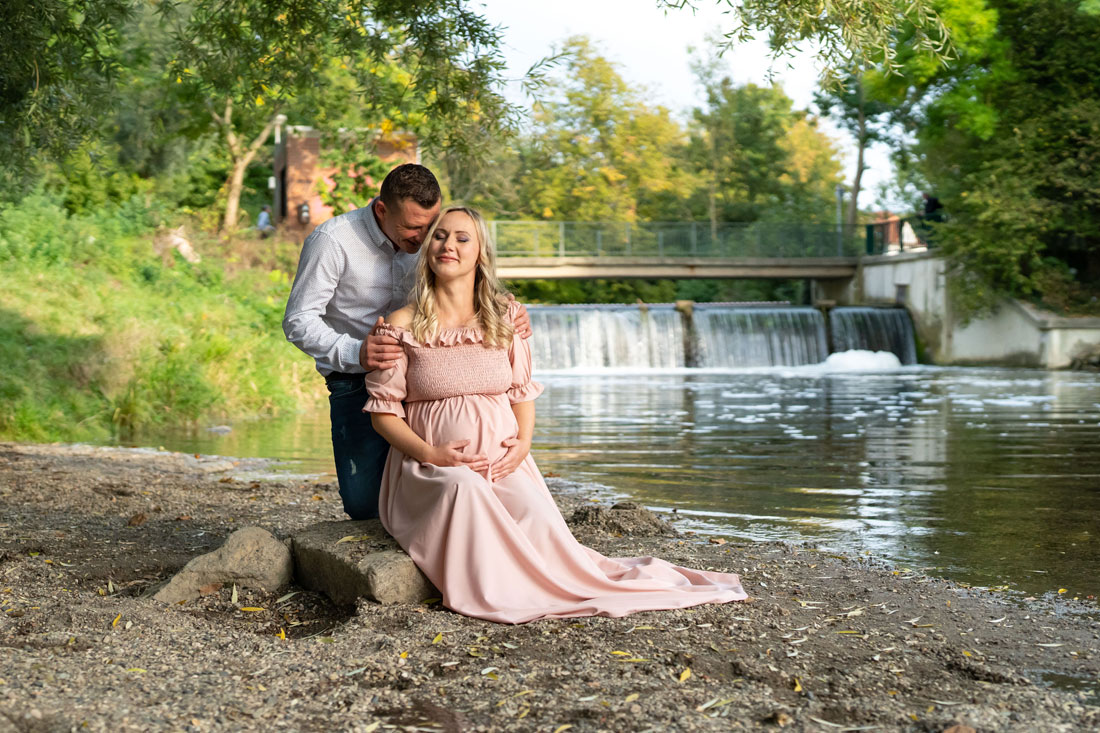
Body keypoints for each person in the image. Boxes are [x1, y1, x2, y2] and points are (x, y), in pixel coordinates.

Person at [363, 205, 748, 623]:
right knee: (464, 490)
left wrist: (523, 444)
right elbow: (383, 414)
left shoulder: (506, 317)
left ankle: (559, 583)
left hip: (504, 461)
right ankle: (504, 592)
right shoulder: (401, 324)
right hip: (430, 470)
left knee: (534, 513)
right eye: (439, 236)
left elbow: (521, 392)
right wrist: (433, 454)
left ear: (481, 254)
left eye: (462, 238)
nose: (448, 245)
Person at [282, 164, 531, 521]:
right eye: (413, 228)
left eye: (430, 227)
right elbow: (298, 320)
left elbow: (467, 273)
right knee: (365, 506)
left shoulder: (433, 240)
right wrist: (358, 353)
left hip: (430, 376)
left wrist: (506, 310)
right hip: (356, 381)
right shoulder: (333, 241)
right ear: (382, 210)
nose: (423, 239)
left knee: (446, 484)